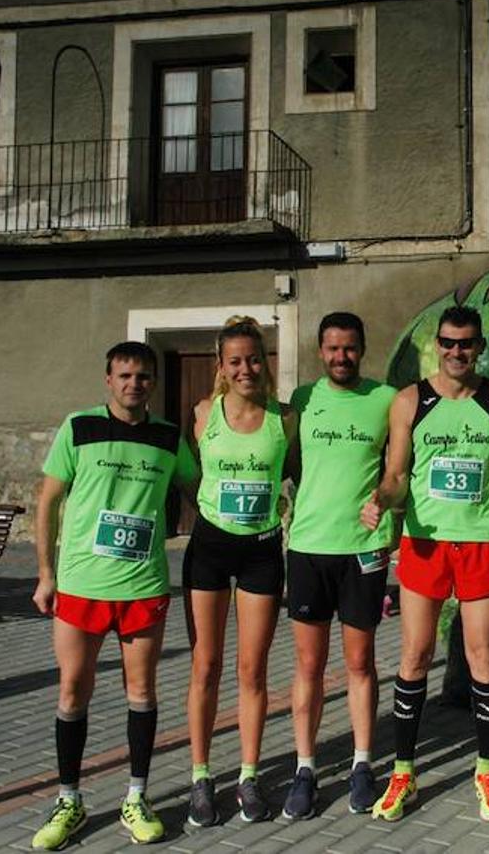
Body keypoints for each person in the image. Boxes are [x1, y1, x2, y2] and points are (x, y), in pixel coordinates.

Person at [361, 305, 489, 822]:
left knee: (484, 657)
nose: (457, 352)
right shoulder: (410, 400)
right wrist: (381, 498)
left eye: (468, 343)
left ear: (480, 347)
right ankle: (403, 774)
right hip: (425, 544)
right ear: (438, 344)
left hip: (480, 542)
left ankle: (486, 769)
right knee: (415, 656)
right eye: (450, 343)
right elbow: (396, 473)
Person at [30, 342, 199, 849]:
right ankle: (69, 800)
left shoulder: (168, 439)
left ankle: (136, 797)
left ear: (152, 383)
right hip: (81, 586)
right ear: (109, 380)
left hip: (143, 588)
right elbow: (48, 503)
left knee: (142, 693)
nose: (134, 384)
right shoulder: (78, 427)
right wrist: (45, 574)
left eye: (144, 376)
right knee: (71, 693)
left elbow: (199, 491)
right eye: (125, 375)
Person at [280, 312, 397, 819]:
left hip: (363, 550)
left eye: (349, 348)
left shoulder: (387, 400)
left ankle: (362, 763)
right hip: (308, 547)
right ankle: (305, 767)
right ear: (319, 351)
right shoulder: (303, 402)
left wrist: (386, 499)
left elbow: (400, 474)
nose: (340, 357)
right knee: (308, 666)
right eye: (331, 348)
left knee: (360, 664)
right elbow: (282, 462)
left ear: (362, 348)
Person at [185, 317, 296, 826]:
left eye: (254, 358)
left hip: (261, 552)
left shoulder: (285, 419)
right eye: (236, 361)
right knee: (206, 666)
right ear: (221, 367)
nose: (247, 368)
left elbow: (300, 476)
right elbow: (192, 480)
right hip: (209, 549)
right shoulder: (203, 413)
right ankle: (201, 776)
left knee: (252, 670)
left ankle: (248, 775)